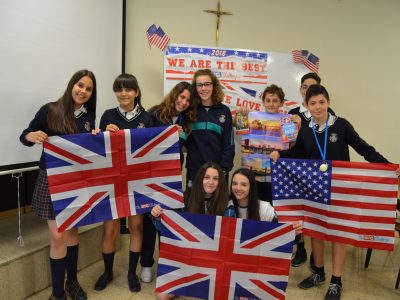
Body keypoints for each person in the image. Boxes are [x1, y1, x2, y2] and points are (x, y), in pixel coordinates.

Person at [270, 84, 399, 300]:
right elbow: (298, 152)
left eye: (321, 102)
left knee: (339, 234)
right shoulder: (305, 129)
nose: (318, 107)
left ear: (328, 103)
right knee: (316, 232)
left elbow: (364, 149)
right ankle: (319, 272)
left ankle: (336, 281)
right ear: (307, 106)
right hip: (313, 190)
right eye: (313, 103)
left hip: (340, 190)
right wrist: (279, 155)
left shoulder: (341, 125)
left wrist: (387, 167)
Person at [20, 69, 97, 300]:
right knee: (58, 236)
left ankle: (71, 282)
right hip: (51, 179)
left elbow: (89, 152)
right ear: (72, 84)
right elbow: (25, 135)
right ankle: (57, 294)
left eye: (89, 89)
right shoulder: (50, 110)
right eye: (80, 85)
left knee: (72, 232)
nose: (83, 91)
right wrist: (30, 137)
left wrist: (97, 138)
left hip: (76, 181)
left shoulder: (88, 117)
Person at [94, 73, 154, 293]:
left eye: (128, 89)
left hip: (137, 182)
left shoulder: (147, 118)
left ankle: (131, 273)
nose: (124, 93)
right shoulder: (108, 115)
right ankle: (108, 272)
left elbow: (155, 149)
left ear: (136, 92)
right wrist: (101, 134)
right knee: (109, 230)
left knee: (136, 226)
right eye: (119, 89)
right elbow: (98, 148)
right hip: (112, 181)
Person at [151, 161, 236, 300]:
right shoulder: (185, 198)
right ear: (200, 178)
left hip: (214, 263)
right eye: (207, 177)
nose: (211, 182)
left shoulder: (227, 203)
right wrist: (158, 217)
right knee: (161, 296)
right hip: (187, 260)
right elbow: (166, 229)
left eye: (215, 179)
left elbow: (230, 238)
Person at [139, 82, 196, 283]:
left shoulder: (187, 121)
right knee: (149, 220)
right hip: (150, 175)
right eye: (181, 97)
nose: (183, 102)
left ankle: (166, 263)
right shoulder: (154, 113)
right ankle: (146, 264)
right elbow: (142, 142)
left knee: (168, 220)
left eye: (188, 100)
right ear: (174, 95)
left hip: (172, 177)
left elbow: (188, 145)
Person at [185, 69, 235, 188]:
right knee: (193, 205)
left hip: (218, 171)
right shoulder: (189, 110)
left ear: (214, 86)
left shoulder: (224, 111)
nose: (203, 88)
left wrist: (223, 169)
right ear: (195, 88)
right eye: (199, 85)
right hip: (195, 170)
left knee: (217, 206)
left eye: (207, 84)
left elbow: (229, 143)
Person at [230, 168, 302, 235]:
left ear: (251, 187)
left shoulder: (264, 208)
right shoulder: (227, 206)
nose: (238, 188)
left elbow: (277, 232)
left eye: (244, 185)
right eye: (235, 184)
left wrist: (290, 230)